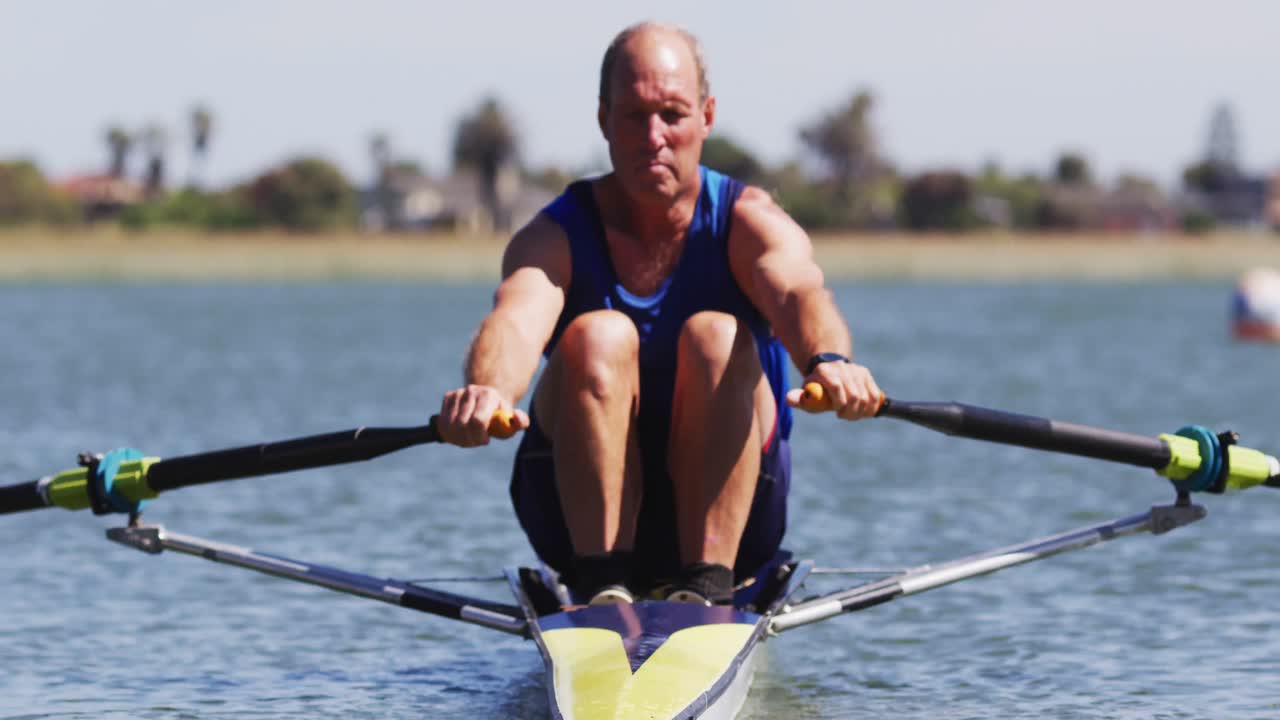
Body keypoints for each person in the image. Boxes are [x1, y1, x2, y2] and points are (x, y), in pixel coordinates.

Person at [436, 21, 882, 606]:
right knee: (598, 335)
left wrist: (829, 361)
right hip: (573, 514)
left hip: (738, 513)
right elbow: (517, 317)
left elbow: (799, 294)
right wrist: (487, 391)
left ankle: (705, 587)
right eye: (633, 115)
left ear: (707, 117)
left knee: (717, 336)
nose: (654, 137)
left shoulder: (748, 221)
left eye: (672, 114)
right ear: (603, 120)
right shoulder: (555, 234)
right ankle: (601, 591)